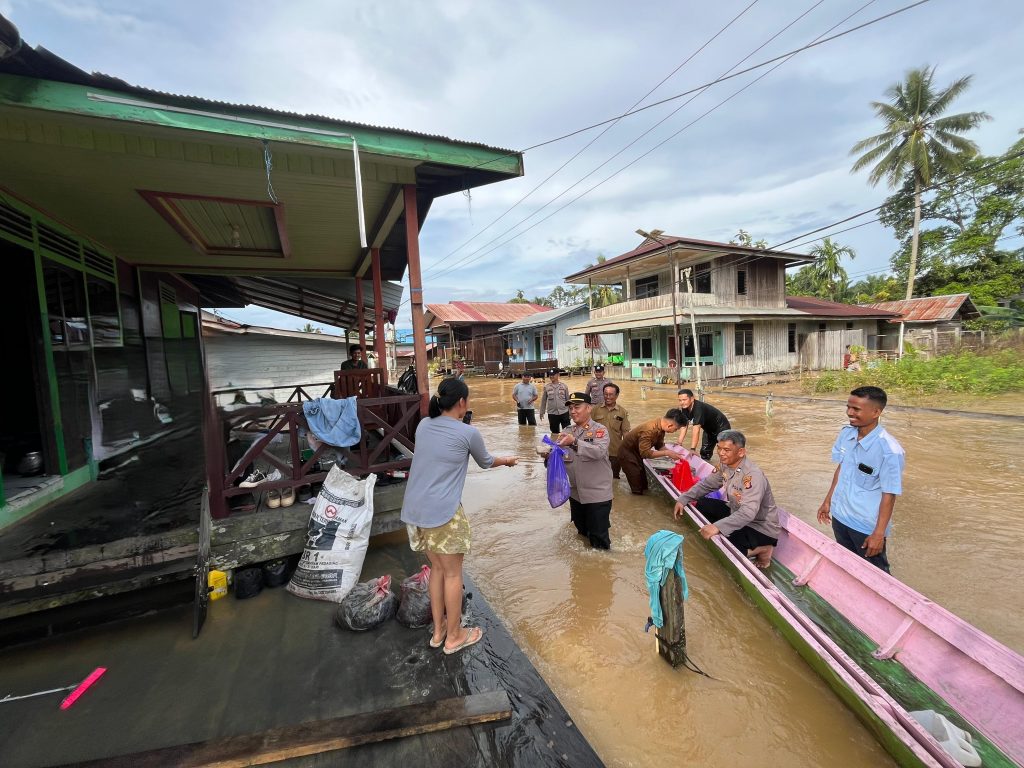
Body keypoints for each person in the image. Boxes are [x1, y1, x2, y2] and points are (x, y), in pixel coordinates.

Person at [400, 378, 518, 654]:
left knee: (437, 571)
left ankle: (439, 631)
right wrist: (509, 460)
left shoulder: (423, 425)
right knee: (453, 574)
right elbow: (487, 461)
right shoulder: (468, 433)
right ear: (462, 402)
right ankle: (454, 636)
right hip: (442, 512)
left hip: (415, 512)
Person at [816, 386, 905, 573]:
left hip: (865, 526)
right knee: (848, 566)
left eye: (856, 409)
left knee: (877, 574)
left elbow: (889, 495)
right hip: (840, 517)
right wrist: (827, 501)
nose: (849, 412)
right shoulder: (846, 434)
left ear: (876, 412)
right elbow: (841, 468)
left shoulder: (889, 450)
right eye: (848, 407)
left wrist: (878, 534)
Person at [672, 430, 780, 569]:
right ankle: (722, 531)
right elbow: (707, 484)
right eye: (719, 448)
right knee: (703, 504)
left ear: (741, 452)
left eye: (727, 450)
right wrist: (684, 498)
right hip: (736, 512)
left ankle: (763, 549)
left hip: (760, 527)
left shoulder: (753, 476)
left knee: (728, 546)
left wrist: (717, 527)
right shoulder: (725, 465)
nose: (721, 453)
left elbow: (748, 513)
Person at [555, 392, 613, 549]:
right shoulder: (566, 431)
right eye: (571, 408)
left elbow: (599, 452)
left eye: (577, 407)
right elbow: (560, 461)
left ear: (589, 408)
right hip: (576, 495)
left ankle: (603, 571)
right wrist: (549, 456)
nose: (573, 411)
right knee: (582, 535)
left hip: (597, 496)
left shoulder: (600, 431)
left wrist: (574, 442)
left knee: (599, 541)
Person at [617, 409, 688, 495]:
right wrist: (667, 453)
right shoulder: (649, 430)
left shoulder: (661, 427)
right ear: (670, 425)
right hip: (627, 454)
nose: (675, 431)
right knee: (637, 488)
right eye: (676, 429)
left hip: (637, 453)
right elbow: (645, 453)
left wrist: (673, 455)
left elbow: (659, 446)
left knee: (644, 485)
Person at [677, 389, 731, 461]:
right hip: (708, 430)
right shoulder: (685, 408)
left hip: (722, 428)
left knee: (724, 452)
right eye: (680, 400)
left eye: (684, 400)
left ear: (692, 399)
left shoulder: (699, 408)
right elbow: (684, 426)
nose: (682, 402)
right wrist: (679, 442)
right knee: (705, 453)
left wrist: (693, 449)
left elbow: (696, 430)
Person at [592, 382, 631, 479]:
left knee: (614, 480)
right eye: (605, 394)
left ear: (617, 395)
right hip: (597, 452)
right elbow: (587, 428)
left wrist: (628, 451)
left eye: (611, 394)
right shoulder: (595, 410)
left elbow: (626, 433)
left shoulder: (622, 412)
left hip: (614, 453)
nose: (607, 397)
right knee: (597, 478)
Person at [539, 368, 571, 434]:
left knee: (567, 432)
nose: (551, 376)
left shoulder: (564, 386)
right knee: (554, 433)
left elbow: (568, 400)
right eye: (550, 375)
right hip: (552, 414)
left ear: (558, 375)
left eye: (553, 374)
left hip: (564, 412)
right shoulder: (546, 387)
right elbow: (543, 401)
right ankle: (555, 444)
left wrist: (570, 413)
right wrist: (542, 412)